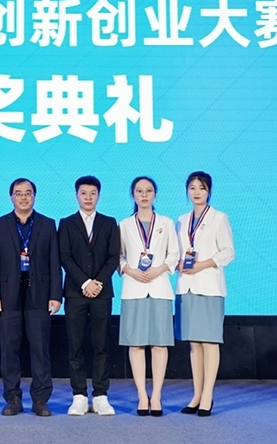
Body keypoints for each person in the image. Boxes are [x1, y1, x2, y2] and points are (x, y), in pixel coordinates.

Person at [0, 178, 61, 416]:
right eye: (18, 193)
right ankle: (13, 398)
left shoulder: (47, 224)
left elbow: (55, 261)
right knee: (9, 349)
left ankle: (40, 399)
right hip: (8, 295)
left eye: (28, 193)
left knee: (40, 350)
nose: (24, 197)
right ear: (11, 197)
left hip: (39, 294)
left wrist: (55, 295)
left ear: (34, 196)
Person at [58, 175, 120, 416]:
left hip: (102, 293)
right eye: (83, 193)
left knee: (101, 345)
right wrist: (85, 282)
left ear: (99, 196)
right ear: (76, 196)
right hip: (76, 292)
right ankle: (79, 396)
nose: (88, 197)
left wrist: (97, 283)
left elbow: (113, 257)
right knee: (76, 346)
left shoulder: (109, 222)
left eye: (93, 193)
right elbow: (65, 257)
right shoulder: (66, 223)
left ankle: (101, 395)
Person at [118, 176, 179, 417]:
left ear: (155, 194)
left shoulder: (166, 222)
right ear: (133, 195)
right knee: (136, 344)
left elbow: (174, 254)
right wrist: (130, 270)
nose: (144, 195)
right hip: (133, 288)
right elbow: (118, 256)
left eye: (149, 190)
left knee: (159, 344)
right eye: (139, 191)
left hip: (159, 287)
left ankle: (157, 396)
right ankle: (142, 396)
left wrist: (159, 269)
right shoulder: (124, 224)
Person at [175, 171, 234, 418]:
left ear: (209, 191)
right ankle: (196, 395)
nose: (196, 192)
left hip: (209, 286)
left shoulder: (219, 218)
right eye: (192, 188)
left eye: (201, 187)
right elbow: (176, 252)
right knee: (194, 343)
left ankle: (208, 395)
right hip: (186, 286)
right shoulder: (181, 220)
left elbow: (228, 252)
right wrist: (177, 263)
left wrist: (202, 264)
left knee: (209, 342)